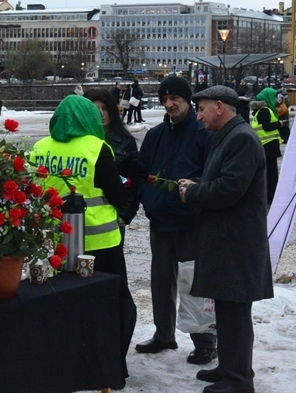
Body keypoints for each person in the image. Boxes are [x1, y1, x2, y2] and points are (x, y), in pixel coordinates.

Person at [30, 95, 136, 388]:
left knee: (63, 305)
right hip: (100, 244)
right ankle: (110, 367)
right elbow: (116, 194)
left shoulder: (39, 148)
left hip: (55, 244)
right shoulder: (96, 147)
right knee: (113, 307)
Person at [178, 86, 273, 393]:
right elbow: (222, 182)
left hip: (237, 244)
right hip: (228, 241)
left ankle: (238, 380)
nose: (199, 116)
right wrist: (199, 185)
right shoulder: (230, 136)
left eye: (202, 109)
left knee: (235, 313)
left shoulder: (241, 138)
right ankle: (230, 368)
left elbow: (229, 189)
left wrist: (192, 192)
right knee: (227, 310)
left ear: (220, 106)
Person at [132, 76, 217, 364]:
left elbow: (211, 175)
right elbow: (142, 172)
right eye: (165, 100)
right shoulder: (156, 135)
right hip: (161, 220)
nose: (169, 105)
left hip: (190, 222)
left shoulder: (203, 133)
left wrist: (193, 195)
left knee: (193, 282)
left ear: (187, 100)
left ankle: (204, 340)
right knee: (161, 280)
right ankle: (164, 333)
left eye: (175, 99)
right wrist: (149, 197)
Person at [85, 89, 139, 231]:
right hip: (83, 214)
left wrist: (125, 215)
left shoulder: (125, 142)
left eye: (105, 108)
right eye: (95, 109)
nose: (101, 114)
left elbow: (135, 180)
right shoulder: (79, 141)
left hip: (112, 215)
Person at [250, 87, 282, 207]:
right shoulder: (265, 110)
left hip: (267, 146)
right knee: (271, 174)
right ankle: (271, 197)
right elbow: (267, 127)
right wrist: (279, 123)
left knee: (270, 173)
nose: (275, 100)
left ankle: (271, 195)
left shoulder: (262, 110)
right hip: (268, 146)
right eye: (274, 97)